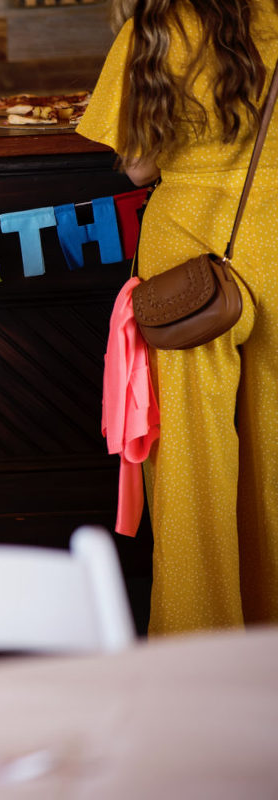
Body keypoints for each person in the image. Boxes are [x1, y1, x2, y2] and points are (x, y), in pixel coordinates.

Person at [77, 0, 277, 634]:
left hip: (187, 255)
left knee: (193, 458)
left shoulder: (151, 31)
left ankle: (198, 636)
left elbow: (139, 165)